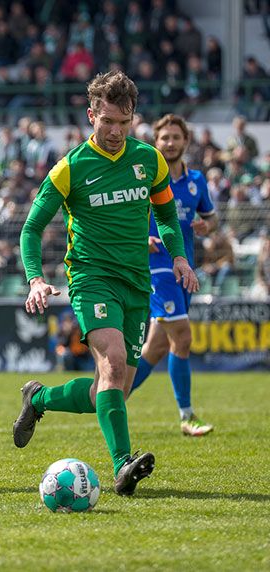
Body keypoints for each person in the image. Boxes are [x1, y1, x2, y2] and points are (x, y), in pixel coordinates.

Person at [13, 71, 198, 496]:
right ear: (91, 114)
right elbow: (31, 229)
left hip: (137, 285)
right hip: (92, 278)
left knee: (107, 392)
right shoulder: (70, 168)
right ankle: (123, 465)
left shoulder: (150, 160)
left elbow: (167, 216)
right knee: (112, 362)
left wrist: (179, 257)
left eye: (124, 122)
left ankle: (38, 399)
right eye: (107, 121)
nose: (115, 131)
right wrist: (36, 278)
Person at [129, 114, 218, 436]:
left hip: (185, 268)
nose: (169, 143)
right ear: (156, 142)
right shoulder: (143, 178)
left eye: (175, 137)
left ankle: (107, 396)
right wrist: (141, 238)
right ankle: (187, 415)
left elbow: (211, 218)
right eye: (164, 138)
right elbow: (121, 217)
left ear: (185, 142)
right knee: (182, 337)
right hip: (155, 268)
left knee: (155, 350)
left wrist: (208, 226)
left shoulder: (196, 180)